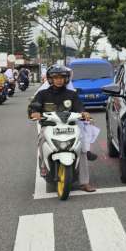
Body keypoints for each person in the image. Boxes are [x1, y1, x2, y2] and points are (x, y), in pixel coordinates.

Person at [28, 65, 97, 193]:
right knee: (42, 143)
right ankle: (44, 167)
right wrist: (34, 112)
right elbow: (34, 107)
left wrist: (84, 113)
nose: (59, 80)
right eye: (56, 77)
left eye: (62, 77)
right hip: (49, 126)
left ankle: (84, 182)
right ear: (50, 79)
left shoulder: (72, 94)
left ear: (66, 79)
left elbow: (79, 107)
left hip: (69, 126)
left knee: (82, 150)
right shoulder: (43, 94)